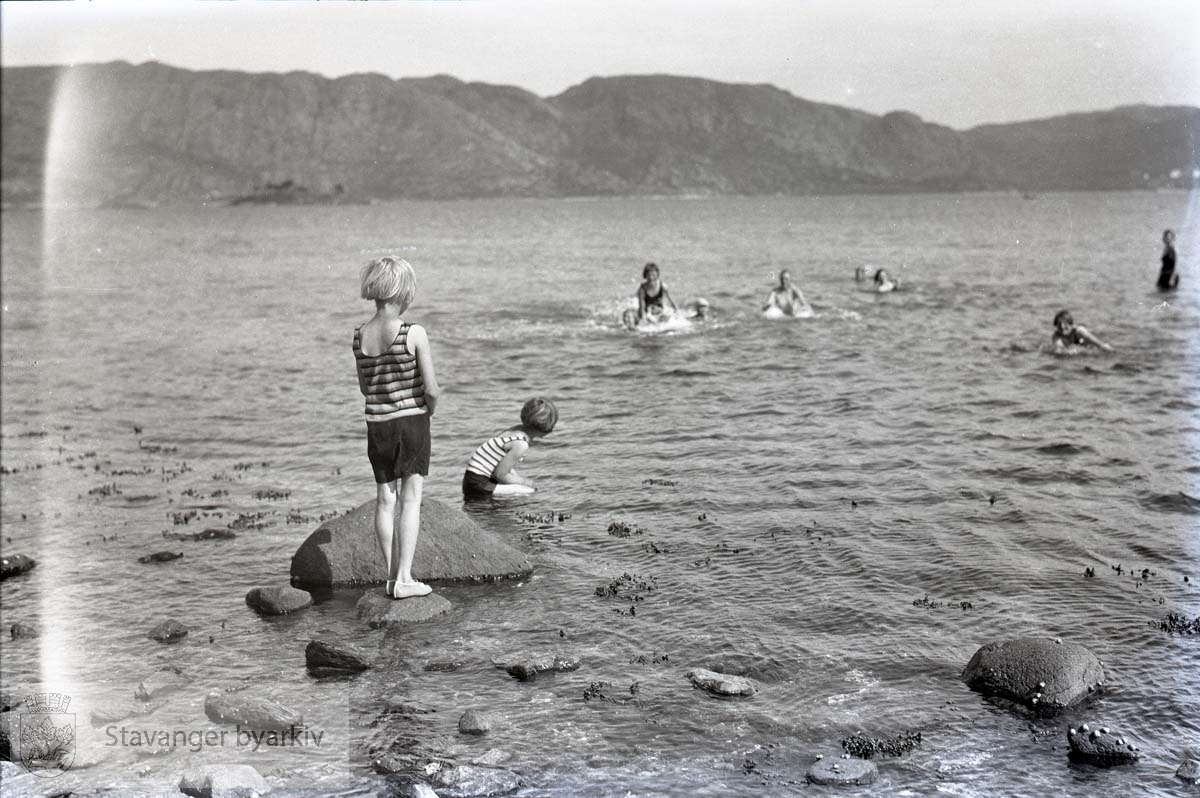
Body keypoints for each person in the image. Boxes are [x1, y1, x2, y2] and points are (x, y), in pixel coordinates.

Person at [353, 256, 441, 599]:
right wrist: (428, 410)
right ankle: (405, 577)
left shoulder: (359, 335)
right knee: (412, 497)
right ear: (403, 292)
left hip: (377, 425)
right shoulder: (413, 332)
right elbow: (431, 388)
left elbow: (365, 387)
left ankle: (391, 578)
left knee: (385, 499)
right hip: (411, 421)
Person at [462, 398, 558, 498]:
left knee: (517, 486)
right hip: (479, 486)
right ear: (547, 429)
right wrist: (525, 481)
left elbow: (501, 464)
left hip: (471, 482)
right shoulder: (521, 444)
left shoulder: (514, 430)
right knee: (529, 491)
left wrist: (517, 480)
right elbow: (500, 475)